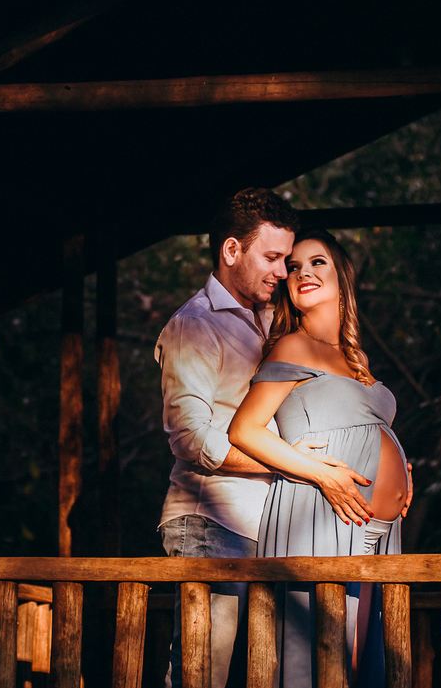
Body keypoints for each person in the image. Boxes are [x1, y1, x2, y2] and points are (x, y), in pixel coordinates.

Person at [156, 191, 374, 688]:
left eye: (288, 259)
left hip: (274, 527)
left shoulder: (276, 320)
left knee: (262, 674)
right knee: (201, 674)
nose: (283, 271)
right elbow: (191, 438)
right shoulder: (195, 324)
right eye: (272, 258)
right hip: (212, 520)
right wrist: (287, 464)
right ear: (232, 251)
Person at [228, 228, 411, 688]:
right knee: (314, 663)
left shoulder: (356, 357)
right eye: (293, 267)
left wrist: (400, 472)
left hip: (378, 528)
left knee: (359, 661)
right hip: (320, 513)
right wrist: (320, 474)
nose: (302, 272)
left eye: (317, 263)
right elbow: (244, 430)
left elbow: (371, 428)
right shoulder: (293, 345)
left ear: (341, 277)